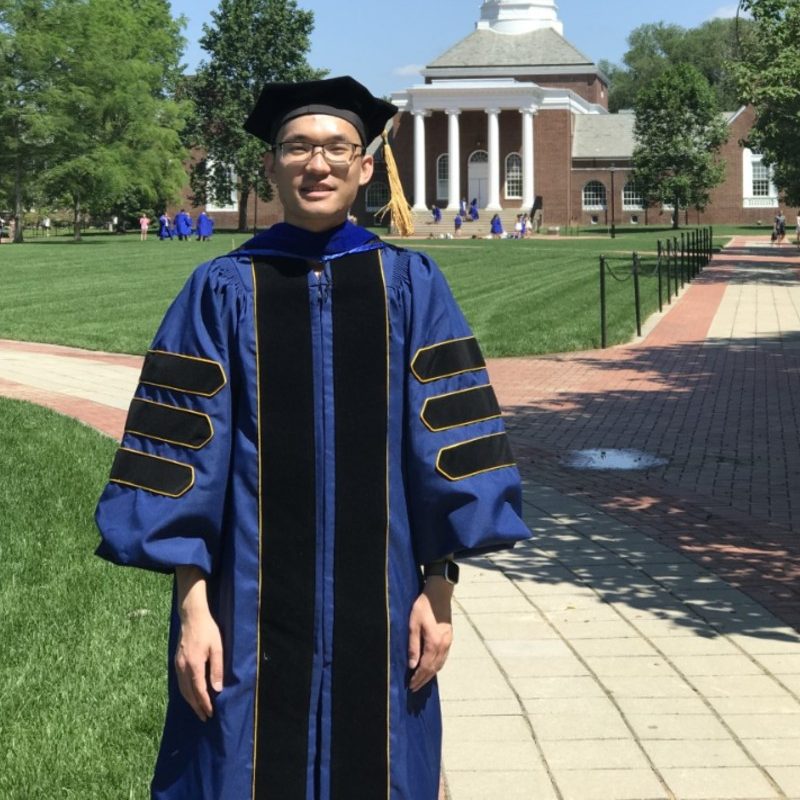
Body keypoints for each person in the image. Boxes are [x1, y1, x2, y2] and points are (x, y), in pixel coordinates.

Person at [94, 75, 530, 800]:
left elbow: (450, 450)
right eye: (297, 146)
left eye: (336, 147)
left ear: (364, 167)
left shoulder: (412, 286)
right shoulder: (221, 291)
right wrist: (192, 612)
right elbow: (182, 460)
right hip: (243, 609)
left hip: (386, 604)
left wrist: (439, 586)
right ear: (270, 166)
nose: (316, 163)